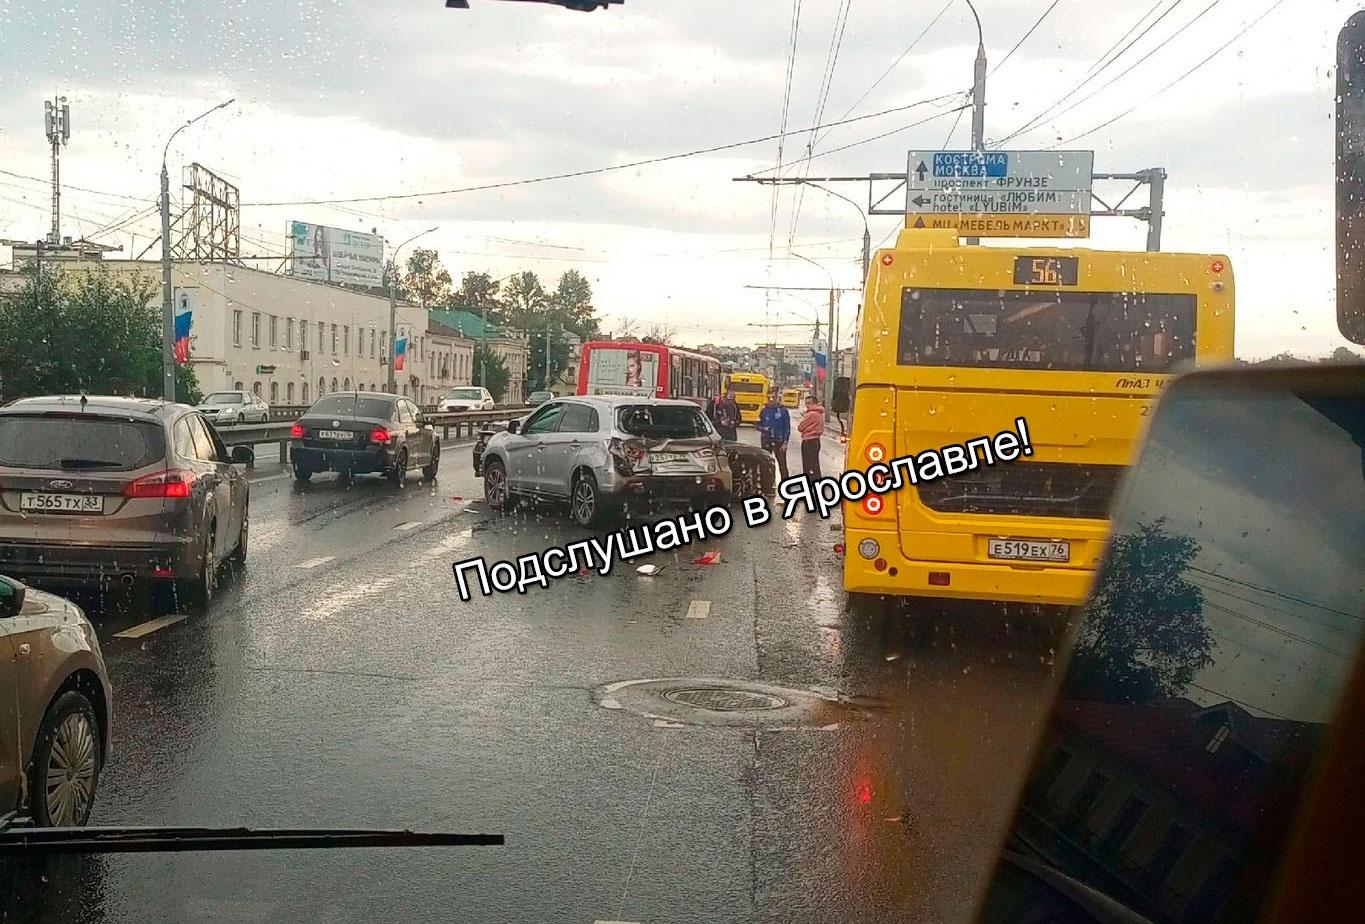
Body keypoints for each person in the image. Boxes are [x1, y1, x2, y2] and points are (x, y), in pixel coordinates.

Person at [757, 389, 790, 482]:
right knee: (766, 463)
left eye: (773, 397)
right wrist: (764, 429)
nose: (771, 399)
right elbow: (757, 425)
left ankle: (786, 484)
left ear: (777, 398)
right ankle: (767, 483)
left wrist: (785, 443)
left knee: (782, 464)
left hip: (779, 440)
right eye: (769, 397)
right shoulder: (764, 411)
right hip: (766, 440)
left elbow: (787, 428)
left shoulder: (783, 411)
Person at [798, 393, 825, 480]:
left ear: (814, 403)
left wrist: (805, 428)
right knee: (814, 462)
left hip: (808, 441)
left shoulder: (811, 414)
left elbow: (801, 427)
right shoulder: (820, 414)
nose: (807, 405)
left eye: (809, 403)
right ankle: (816, 479)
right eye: (806, 403)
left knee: (807, 463)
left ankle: (809, 480)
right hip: (816, 440)